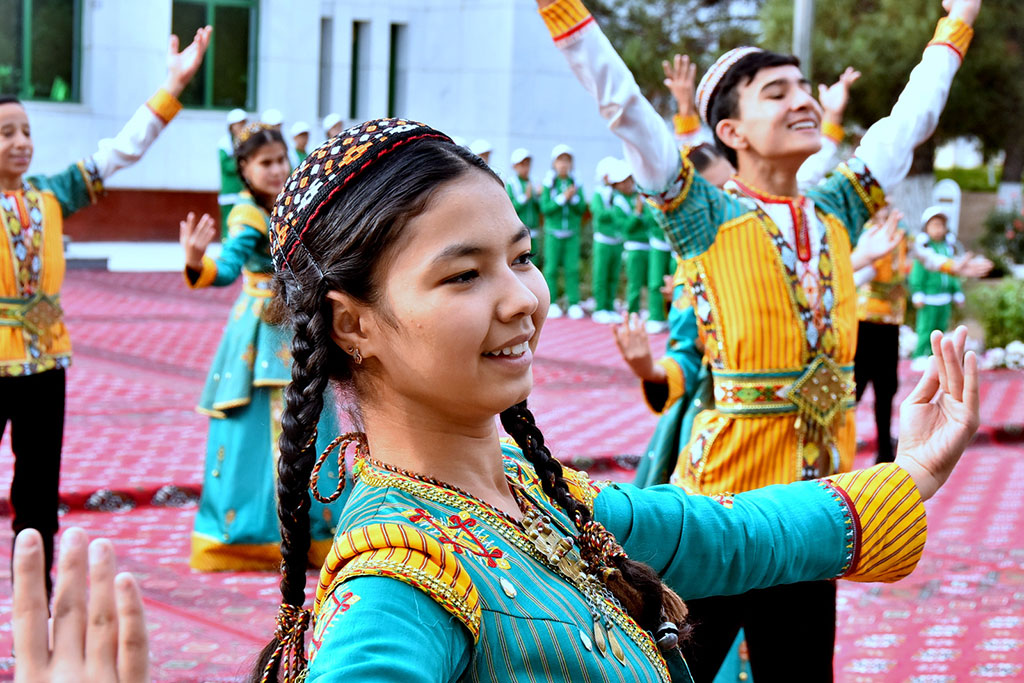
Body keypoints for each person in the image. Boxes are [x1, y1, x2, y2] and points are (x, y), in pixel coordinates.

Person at [11, 118, 980, 683]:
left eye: (520, 256)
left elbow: (731, 535)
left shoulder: (531, 493)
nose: (522, 297)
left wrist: (914, 471)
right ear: (353, 324)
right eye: (463, 273)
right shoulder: (402, 579)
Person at [537, 0, 980, 678]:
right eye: (777, 92)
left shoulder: (838, 208)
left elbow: (909, 122)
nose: (803, 100)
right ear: (731, 130)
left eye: (804, 87)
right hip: (721, 514)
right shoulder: (702, 213)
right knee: (676, 669)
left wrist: (957, 23)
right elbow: (624, 107)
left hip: (818, 510)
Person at [0, 25, 210, 596]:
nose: (21, 142)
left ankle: (35, 593)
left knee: (38, 488)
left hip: (47, 364)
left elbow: (121, 151)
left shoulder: (51, 193)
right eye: (6, 133)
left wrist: (172, 87)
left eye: (26, 131)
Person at [179, 123, 344, 571]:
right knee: (265, 430)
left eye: (280, 160)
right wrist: (197, 263)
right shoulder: (248, 216)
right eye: (264, 163)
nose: (275, 170)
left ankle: (316, 534)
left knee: (315, 420)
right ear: (244, 169)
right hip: (263, 333)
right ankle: (265, 538)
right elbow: (228, 266)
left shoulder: (297, 206)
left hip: (303, 322)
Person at [910, 206, 966, 370]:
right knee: (926, 328)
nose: (938, 229)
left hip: (944, 297)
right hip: (929, 297)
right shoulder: (924, 249)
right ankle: (920, 355)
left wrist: (956, 291)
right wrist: (918, 292)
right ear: (926, 228)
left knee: (941, 328)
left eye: (941, 225)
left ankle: (935, 357)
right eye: (934, 225)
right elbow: (917, 273)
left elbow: (952, 271)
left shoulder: (947, 248)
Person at [540, 144, 586, 319]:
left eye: (567, 161)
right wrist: (562, 198)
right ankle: (551, 303)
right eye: (560, 160)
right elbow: (545, 208)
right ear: (554, 163)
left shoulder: (576, 183)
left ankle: (573, 303)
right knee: (551, 268)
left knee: (572, 269)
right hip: (553, 233)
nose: (564, 164)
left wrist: (573, 199)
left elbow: (581, 208)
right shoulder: (549, 183)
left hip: (572, 233)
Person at [591, 158, 629, 324]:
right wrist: (615, 211)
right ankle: (600, 308)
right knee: (601, 275)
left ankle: (609, 306)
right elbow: (599, 214)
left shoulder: (618, 195)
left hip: (617, 240)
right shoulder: (599, 194)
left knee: (613, 275)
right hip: (603, 241)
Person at [218, 108, 248, 239]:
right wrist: (242, 161)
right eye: (238, 124)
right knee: (228, 226)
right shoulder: (224, 144)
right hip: (229, 193)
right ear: (231, 126)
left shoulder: (247, 142)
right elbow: (227, 167)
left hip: (244, 192)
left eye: (243, 123)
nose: (241, 127)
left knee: (242, 225)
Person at [506, 148, 541, 256]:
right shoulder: (511, 183)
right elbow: (509, 208)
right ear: (514, 166)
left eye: (527, 164)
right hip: (518, 232)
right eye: (522, 165)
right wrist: (525, 197)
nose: (526, 168)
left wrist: (539, 196)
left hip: (533, 231)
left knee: (534, 260)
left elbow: (541, 208)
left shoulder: (534, 181)